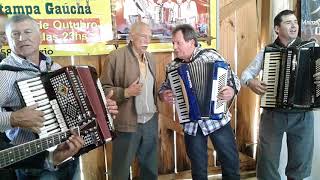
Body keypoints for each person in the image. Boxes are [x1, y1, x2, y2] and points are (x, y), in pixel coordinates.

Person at [0, 14, 118, 180]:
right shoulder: (5, 74)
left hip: (69, 155)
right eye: (15, 34)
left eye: (27, 32)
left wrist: (102, 109)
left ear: (39, 35)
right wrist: (12, 118)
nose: (22, 38)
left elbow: (75, 109)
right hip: (34, 165)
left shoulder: (53, 67)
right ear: (7, 39)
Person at [241, 10, 318, 180]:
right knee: (267, 163)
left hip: (303, 116)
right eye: (288, 22)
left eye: (295, 22)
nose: (294, 26)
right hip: (273, 115)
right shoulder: (267, 51)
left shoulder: (313, 50)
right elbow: (245, 75)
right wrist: (251, 82)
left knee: (300, 164)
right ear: (277, 28)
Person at [159, 24, 241, 180]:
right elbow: (164, 88)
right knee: (198, 168)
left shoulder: (212, 57)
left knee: (230, 162)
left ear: (191, 42)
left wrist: (231, 90)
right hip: (191, 124)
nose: (174, 47)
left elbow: (234, 80)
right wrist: (164, 95)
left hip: (217, 121)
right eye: (173, 43)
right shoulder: (173, 66)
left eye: (178, 43)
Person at [100, 21, 158, 180]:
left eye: (150, 37)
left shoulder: (151, 58)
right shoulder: (115, 57)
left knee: (150, 169)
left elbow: (151, 90)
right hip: (127, 123)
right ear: (131, 36)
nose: (147, 40)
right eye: (143, 36)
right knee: (121, 170)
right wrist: (126, 92)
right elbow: (103, 89)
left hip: (150, 121)